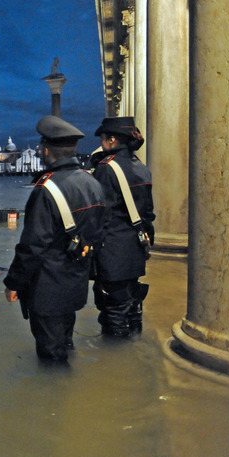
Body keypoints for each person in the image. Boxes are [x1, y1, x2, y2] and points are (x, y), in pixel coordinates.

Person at [3, 115, 105, 361]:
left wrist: (14, 282)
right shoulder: (92, 182)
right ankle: (69, 392)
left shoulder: (46, 189)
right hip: (76, 280)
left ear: (46, 150)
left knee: (51, 354)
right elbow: (99, 230)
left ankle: (55, 393)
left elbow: (32, 246)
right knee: (64, 341)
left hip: (48, 288)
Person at [90, 116, 155, 336]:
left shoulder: (106, 168)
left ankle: (115, 359)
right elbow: (148, 213)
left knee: (112, 309)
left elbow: (100, 215)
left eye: (103, 139)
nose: (101, 143)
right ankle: (135, 350)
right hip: (136, 247)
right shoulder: (142, 167)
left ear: (112, 140)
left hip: (113, 251)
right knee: (132, 301)